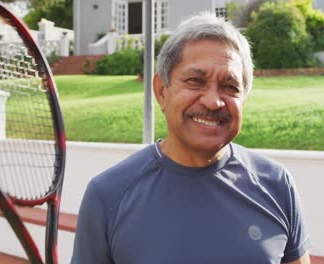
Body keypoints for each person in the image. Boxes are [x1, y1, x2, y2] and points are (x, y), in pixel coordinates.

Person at [72, 13, 310, 264]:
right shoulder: (108, 195)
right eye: (195, 81)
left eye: (230, 87)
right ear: (162, 91)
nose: (213, 101)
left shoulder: (276, 184)